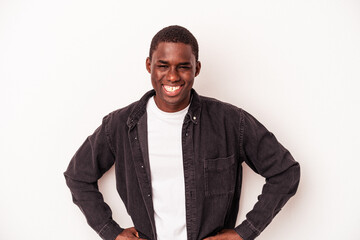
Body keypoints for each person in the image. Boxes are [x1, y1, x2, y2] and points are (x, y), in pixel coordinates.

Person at [64, 25, 300, 240]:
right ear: (149, 65)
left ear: (196, 68)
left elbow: (285, 172)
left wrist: (244, 233)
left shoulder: (229, 121)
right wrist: (112, 233)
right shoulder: (120, 125)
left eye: (183, 67)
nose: (173, 76)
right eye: (163, 65)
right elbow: (78, 176)